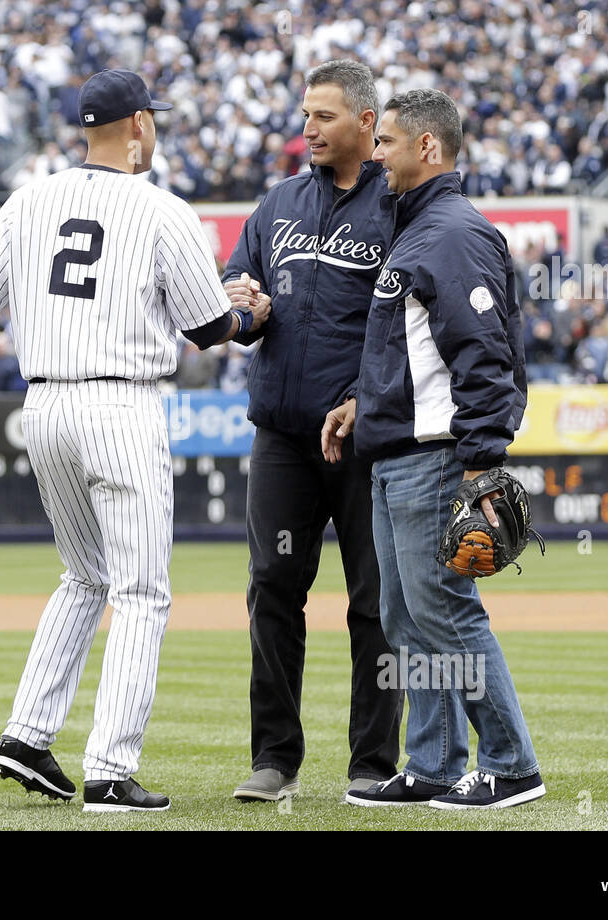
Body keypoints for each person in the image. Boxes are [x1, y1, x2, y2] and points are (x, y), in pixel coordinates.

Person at [0, 69, 270, 813]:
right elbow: (206, 331)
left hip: (45, 405)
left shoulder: (31, 198)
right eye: (150, 120)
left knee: (83, 575)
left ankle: (27, 735)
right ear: (137, 126)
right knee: (140, 591)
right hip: (119, 404)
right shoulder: (162, 209)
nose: (152, 130)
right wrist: (248, 313)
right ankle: (109, 770)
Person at [329, 88, 546, 808]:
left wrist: (482, 461)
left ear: (428, 147)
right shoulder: (415, 229)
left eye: (386, 141)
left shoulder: (452, 231)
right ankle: (434, 763)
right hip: (394, 455)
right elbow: (411, 353)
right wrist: (365, 404)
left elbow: (487, 352)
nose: (376, 153)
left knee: (447, 611)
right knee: (405, 618)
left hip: (435, 457)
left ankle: (513, 766)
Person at [221, 59, 403, 805]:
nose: (308, 128)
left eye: (324, 116)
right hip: (284, 439)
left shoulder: (399, 207)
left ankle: (372, 763)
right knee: (272, 589)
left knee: (375, 603)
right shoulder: (279, 202)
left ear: (366, 123)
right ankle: (274, 759)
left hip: (364, 442)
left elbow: (406, 328)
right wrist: (242, 303)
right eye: (305, 114)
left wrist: (367, 396)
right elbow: (236, 295)